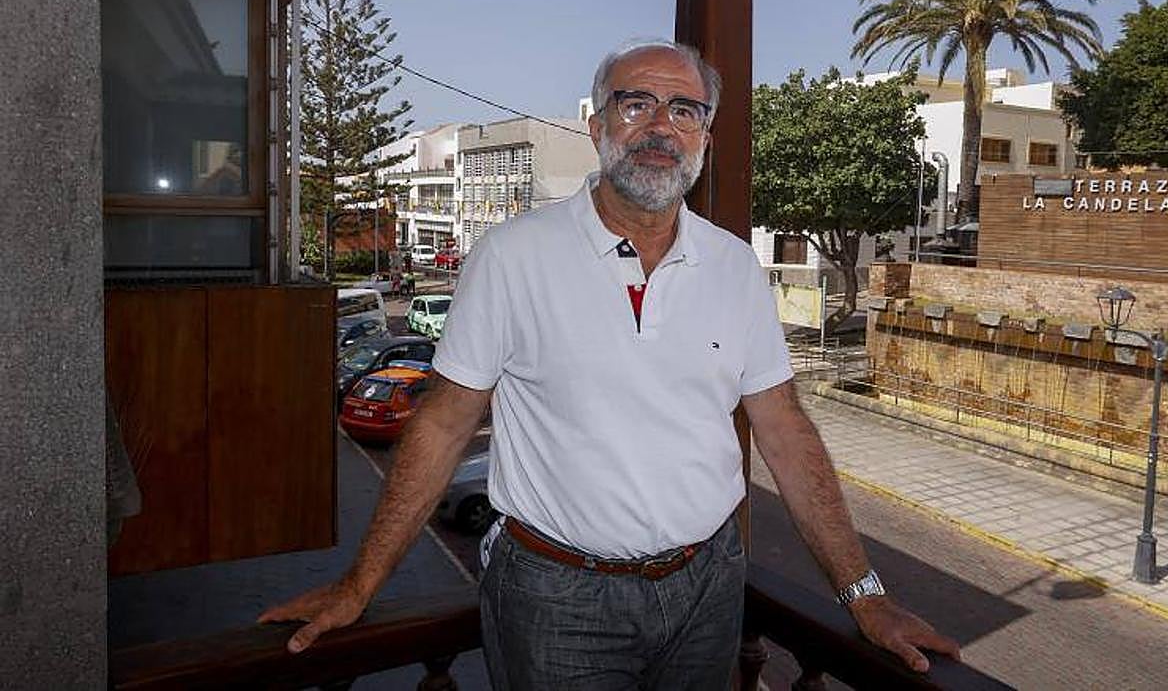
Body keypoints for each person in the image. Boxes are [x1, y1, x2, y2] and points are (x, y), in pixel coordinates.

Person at [260, 39, 959, 688]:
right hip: (555, 599)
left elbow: (784, 429)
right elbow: (443, 426)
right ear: (597, 127)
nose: (661, 127)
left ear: (706, 138)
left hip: (709, 589)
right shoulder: (512, 257)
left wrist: (864, 595)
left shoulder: (734, 266)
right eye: (636, 104)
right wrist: (361, 583)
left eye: (684, 110)